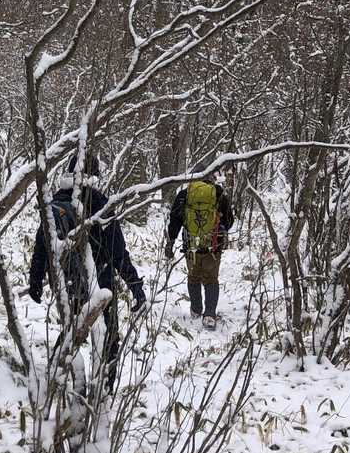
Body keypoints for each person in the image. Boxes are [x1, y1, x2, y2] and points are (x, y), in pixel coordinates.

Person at [26, 152, 146, 390]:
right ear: (95, 175)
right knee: (108, 336)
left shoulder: (57, 201)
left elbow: (43, 244)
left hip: (69, 281)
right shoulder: (101, 204)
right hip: (101, 283)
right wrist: (135, 285)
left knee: (73, 330)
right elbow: (118, 252)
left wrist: (36, 279)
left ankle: (56, 376)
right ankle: (103, 390)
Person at [165, 174, 234, 328]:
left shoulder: (185, 194)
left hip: (191, 245)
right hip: (213, 246)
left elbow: (175, 220)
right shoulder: (219, 194)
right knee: (211, 280)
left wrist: (170, 242)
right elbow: (229, 221)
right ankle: (209, 315)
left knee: (193, 277)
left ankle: (196, 310)